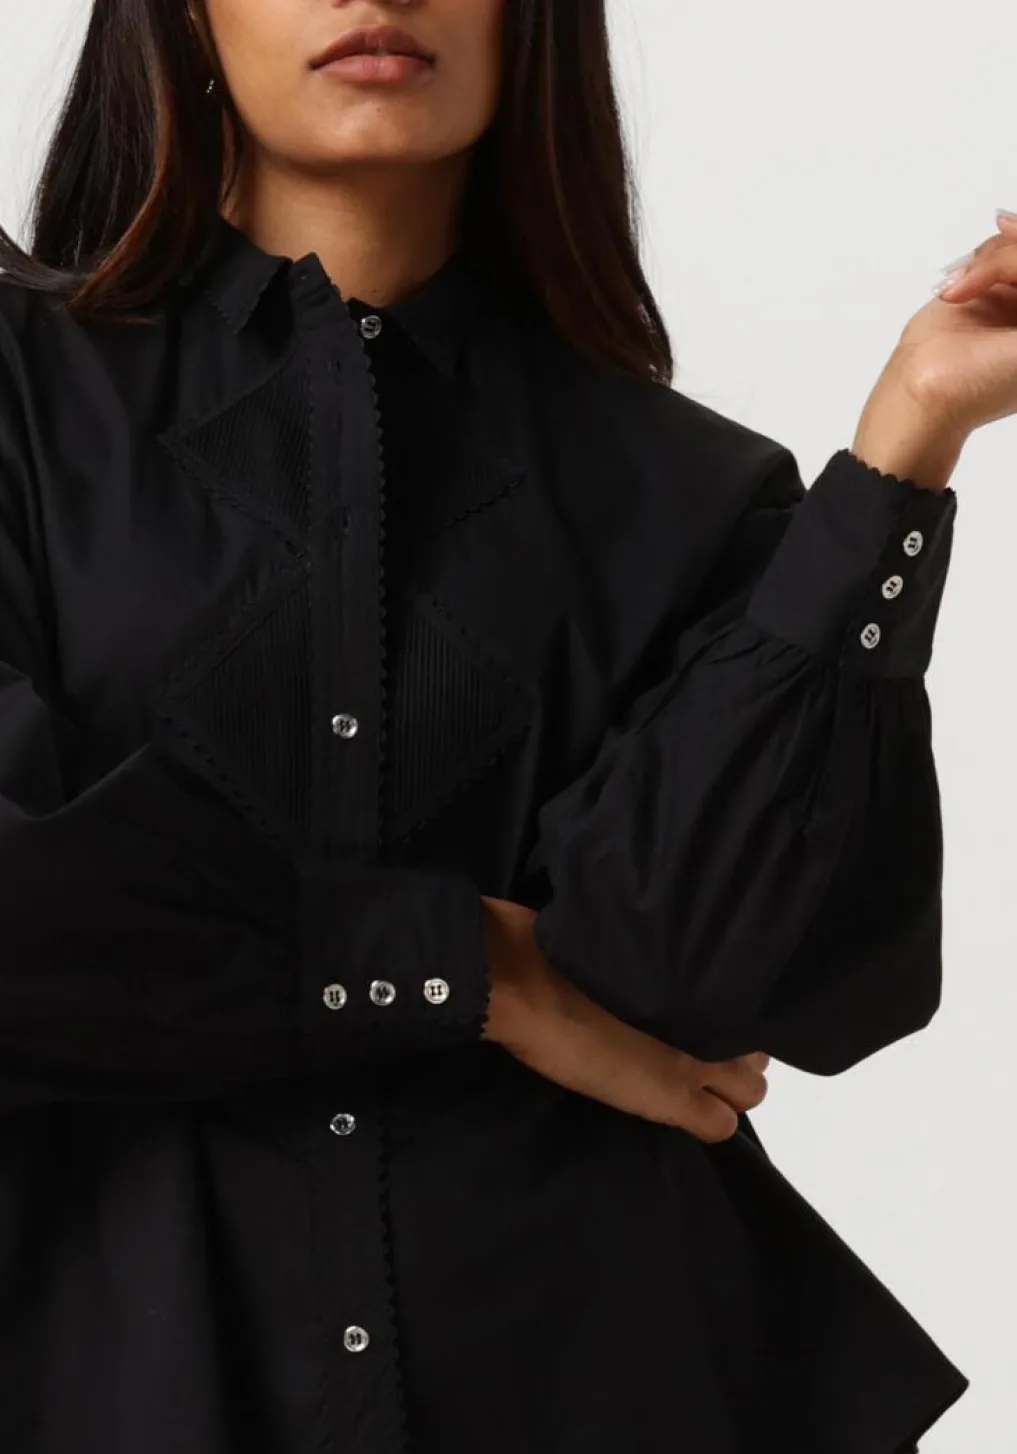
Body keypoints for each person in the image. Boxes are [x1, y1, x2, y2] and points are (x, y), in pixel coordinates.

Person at [3, 0, 1015, 1450]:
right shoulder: (21, 397)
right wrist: (476, 970)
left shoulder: (692, 493)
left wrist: (908, 445)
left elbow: (725, 978)